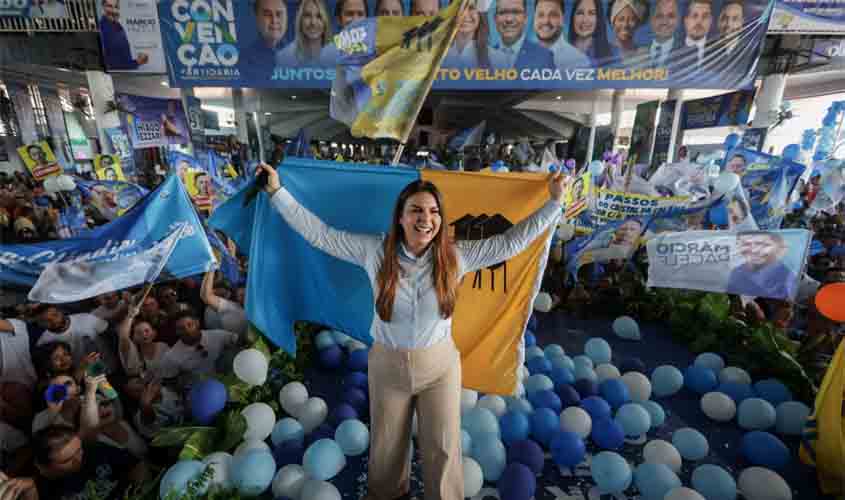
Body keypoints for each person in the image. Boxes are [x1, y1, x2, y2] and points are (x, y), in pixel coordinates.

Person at [256, 162, 564, 500]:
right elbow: (321, 234)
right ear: (401, 218)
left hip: (440, 369)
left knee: (444, 449)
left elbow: (511, 242)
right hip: (387, 367)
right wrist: (277, 192)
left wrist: (554, 203)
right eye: (416, 210)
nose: (426, 218)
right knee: (386, 450)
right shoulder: (374, 251)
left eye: (433, 211)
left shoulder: (456, 256)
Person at [33, 425, 147, 500]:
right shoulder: (44, 491)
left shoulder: (95, 450)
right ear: (46, 467)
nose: (78, 460)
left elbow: (136, 465)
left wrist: (140, 490)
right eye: (67, 460)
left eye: (79, 450)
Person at [727, 231, 798, 299]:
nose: (754, 250)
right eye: (746, 244)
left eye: (763, 245)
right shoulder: (737, 272)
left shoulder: (787, 276)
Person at [490, 0, 555, 70]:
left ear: (525, 18)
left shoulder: (544, 57)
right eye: (503, 12)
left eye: (516, 12)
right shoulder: (485, 57)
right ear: (495, 19)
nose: (509, 19)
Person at [534, 0, 591, 68]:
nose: (546, 21)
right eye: (540, 15)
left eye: (553, 15)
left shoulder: (579, 61)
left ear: (563, 19)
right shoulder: (525, 55)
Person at [98, 0, 149, 70]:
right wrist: (138, 62)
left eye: (116, 7)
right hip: (117, 74)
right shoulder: (104, 28)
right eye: (109, 6)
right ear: (103, 7)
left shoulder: (116, 25)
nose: (113, 10)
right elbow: (113, 64)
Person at [278, 0, 332, 65]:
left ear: (325, 21)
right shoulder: (284, 56)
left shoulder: (337, 56)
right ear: (300, 20)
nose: (313, 22)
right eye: (307, 15)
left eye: (319, 16)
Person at [242, 0, 289, 73]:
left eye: (279, 14)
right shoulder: (244, 60)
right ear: (256, 18)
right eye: (267, 14)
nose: (274, 20)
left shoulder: (299, 55)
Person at [444, 1, 491, 68]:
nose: (465, 15)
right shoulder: (436, 54)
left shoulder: (496, 56)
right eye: (459, 7)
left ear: (480, 14)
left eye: (471, 8)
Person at [634, 0, 681, 66]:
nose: (664, 22)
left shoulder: (684, 52)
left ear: (678, 21)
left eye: (671, 16)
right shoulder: (638, 53)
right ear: (652, 20)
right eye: (659, 16)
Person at [568, 0, 615, 65]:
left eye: (591, 13)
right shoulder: (560, 51)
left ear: (598, 18)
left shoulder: (613, 52)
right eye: (580, 13)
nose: (584, 20)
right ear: (573, 17)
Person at [678, 0, 713, 69]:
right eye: (694, 15)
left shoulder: (718, 50)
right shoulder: (672, 49)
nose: (699, 21)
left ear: (710, 21)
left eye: (705, 16)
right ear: (685, 20)